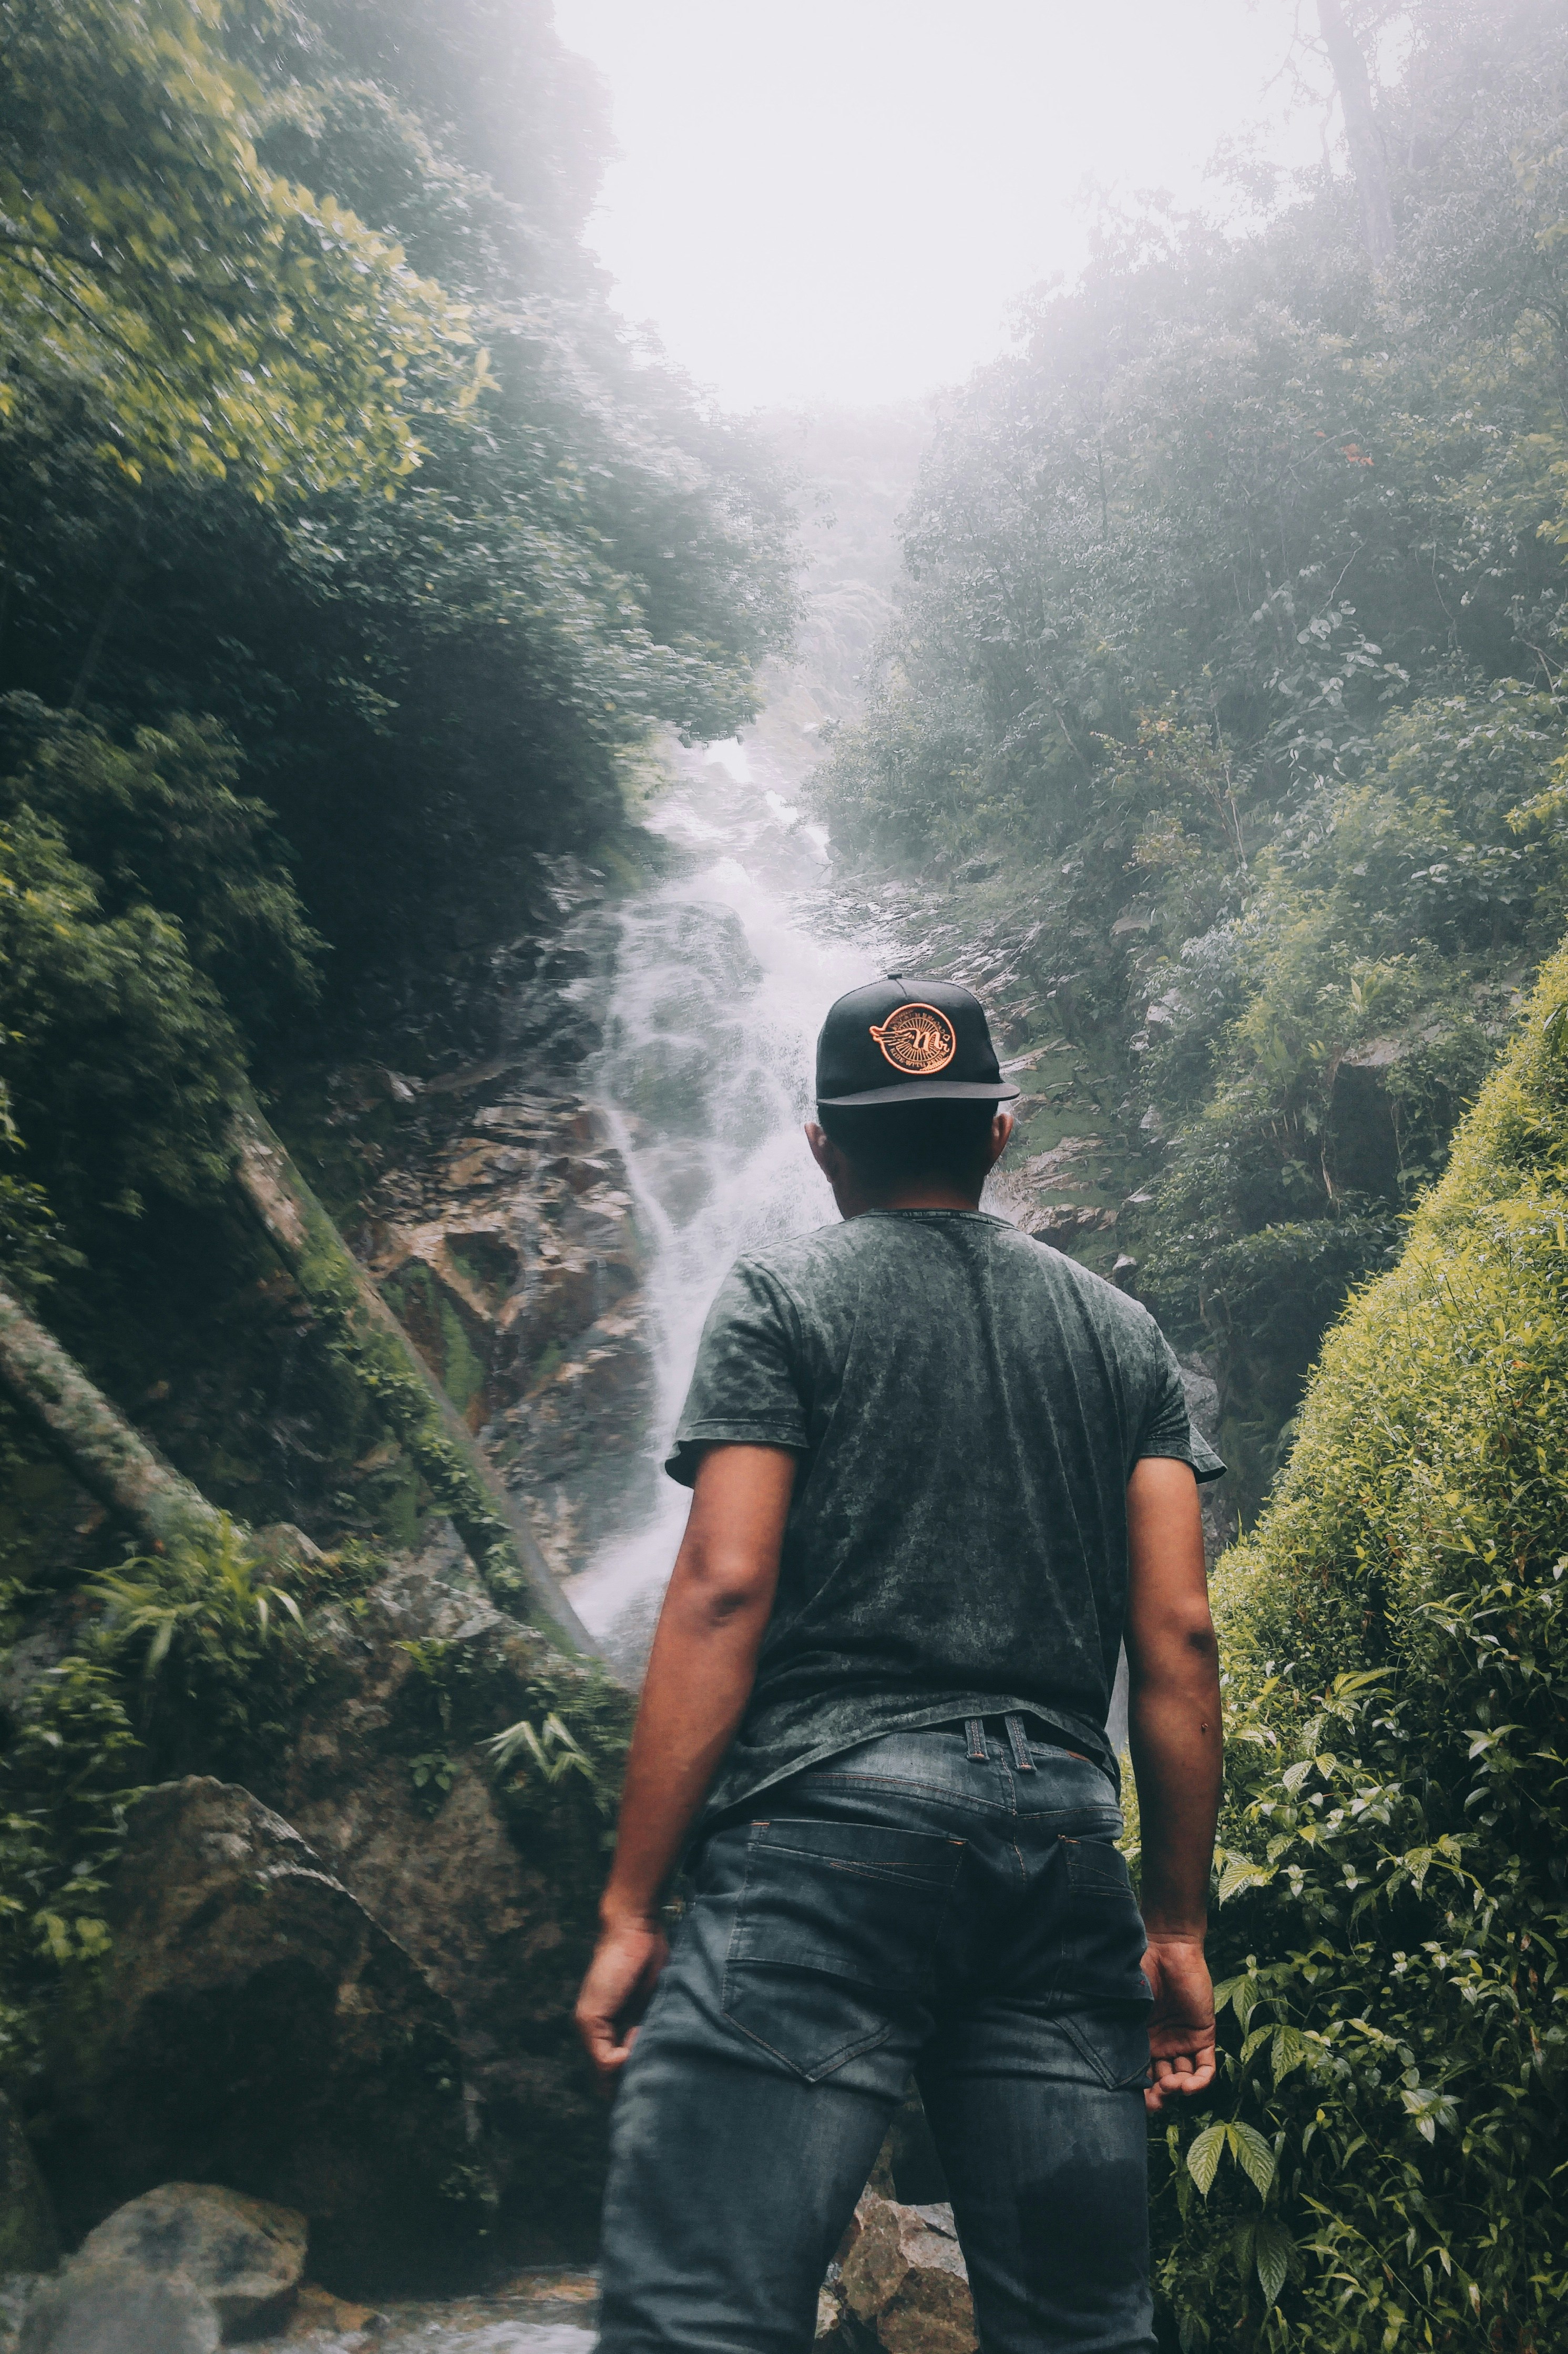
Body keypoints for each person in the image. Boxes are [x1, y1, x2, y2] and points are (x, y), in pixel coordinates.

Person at [576, 974, 1226, 2354]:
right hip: (1058, 1853)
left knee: (697, 2318)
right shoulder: (1123, 1337)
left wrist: (635, 1907)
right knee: (1085, 2331)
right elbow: (1178, 1637)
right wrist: (1174, 1926)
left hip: (828, 1842)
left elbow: (723, 1586)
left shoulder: (777, 1295)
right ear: (998, 1134)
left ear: (823, 1144)